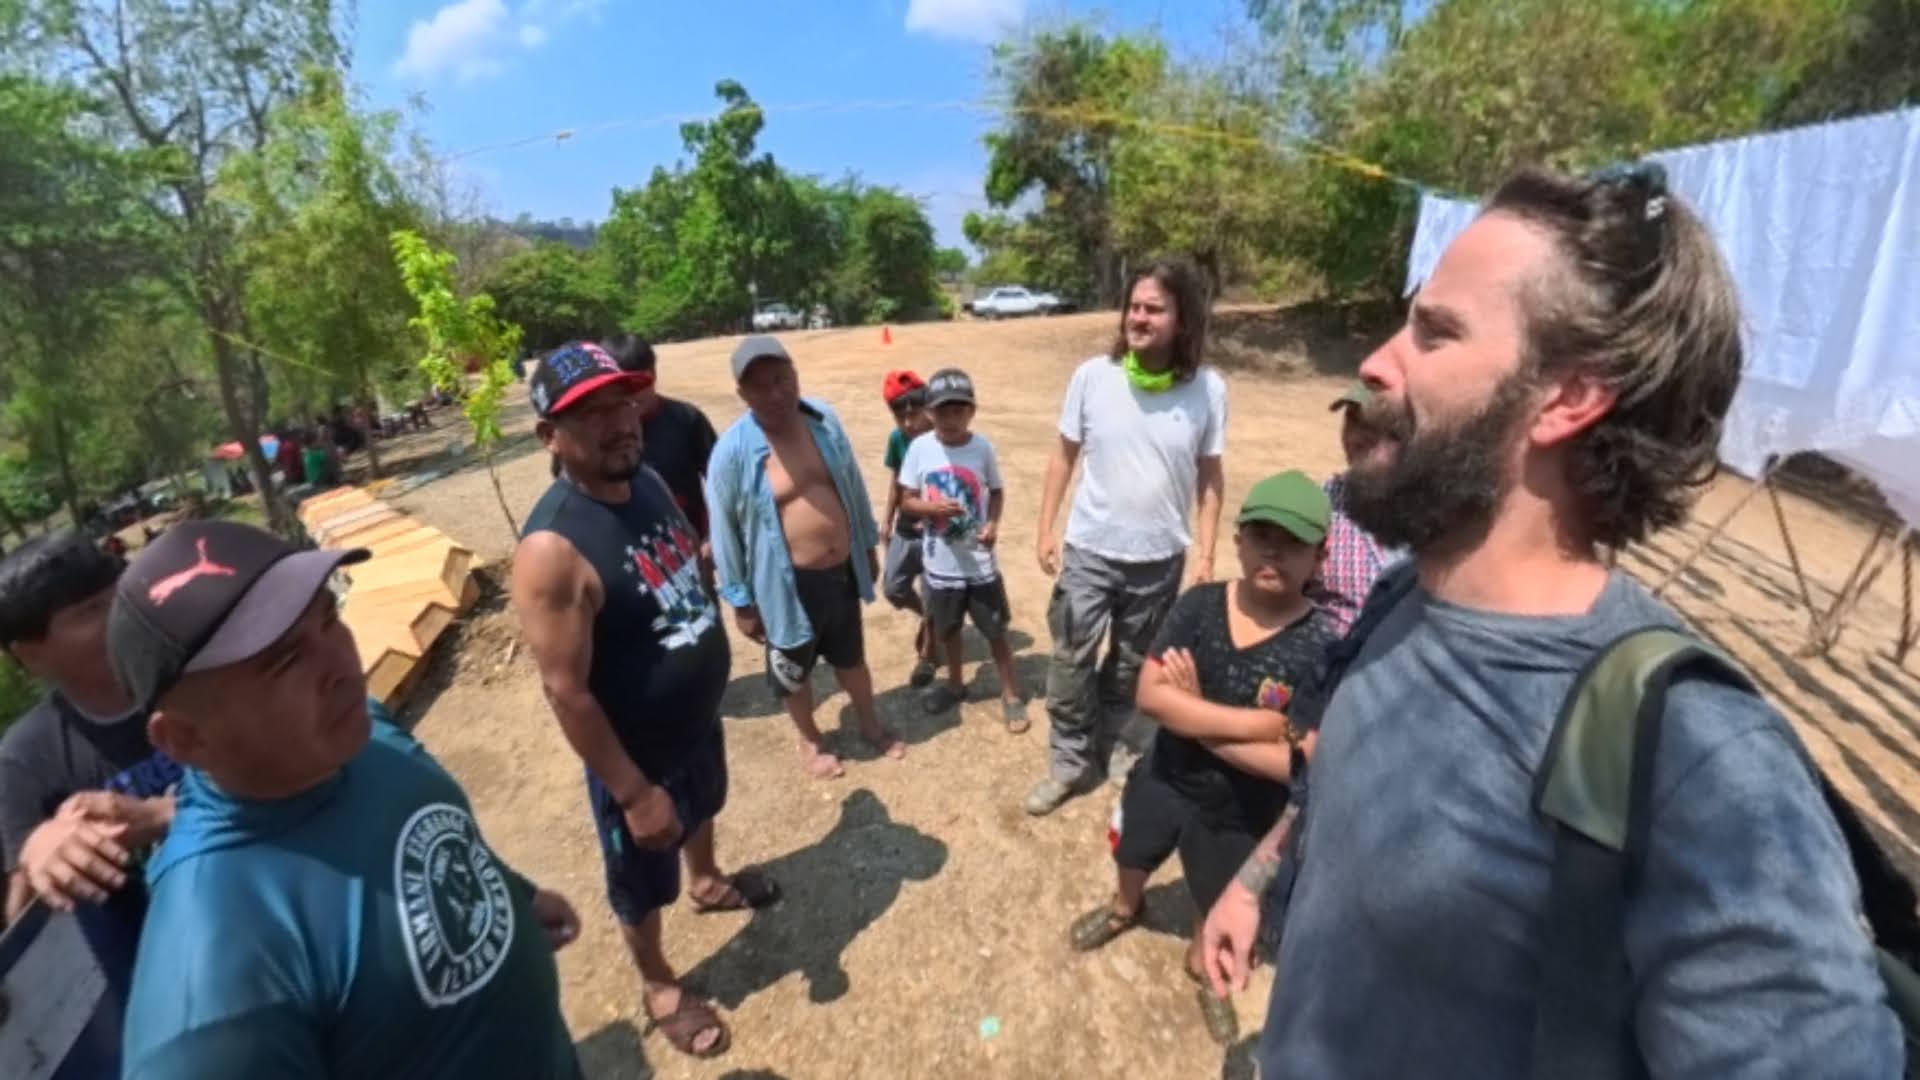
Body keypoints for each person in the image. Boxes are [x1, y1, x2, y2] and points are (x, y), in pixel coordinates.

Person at [1199, 165, 1901, 1077]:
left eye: (1436, 332)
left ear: (1569, 396)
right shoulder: (1403, 595)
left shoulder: (1699, 765)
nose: (1375, 359)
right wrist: (1258, 885)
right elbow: (1336, 785)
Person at [106, 521, 581, 1078]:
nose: (339, 664)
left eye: (330, 618)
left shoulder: (357, 731)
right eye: (283, 661)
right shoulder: (210, 998)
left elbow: (421, 825)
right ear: (185, 738)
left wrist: (509, 896)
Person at [514, 341, 774, 1062]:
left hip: (695, 724)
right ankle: (659, 984)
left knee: (704, 810)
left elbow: (678, 559)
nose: (619, 422)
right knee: (640, 882)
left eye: (623, 402)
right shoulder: (552, 549)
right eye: (590, 413)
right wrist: (631, 793)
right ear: (549, 437)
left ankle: (710, 881)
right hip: (637, 755)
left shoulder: (648, 477)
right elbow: (565, 689)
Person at [1067, 471, 1336, 1045]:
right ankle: (1125, 906)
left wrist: (1195, 717)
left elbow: (1300, 762)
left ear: (1321, 555)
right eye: (1261, 534)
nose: (1273, 551)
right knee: (1133, 849)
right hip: (1164, 775)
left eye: (1292, 542)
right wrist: (1255, 725)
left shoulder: (1321, 646)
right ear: (1237, 539)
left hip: (1241, 810)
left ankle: (1200, 958)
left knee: (1214, 890)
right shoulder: (1200, 605)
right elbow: (1150, 695)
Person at [1028, 258, 1228, 816]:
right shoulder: (1093, 376)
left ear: (1182, 320)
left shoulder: (1208, 389)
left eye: (1153, 308)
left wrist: (1207, 552)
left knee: (1132, 663)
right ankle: (1068, 762)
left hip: (1159, 558)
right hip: (1090, 550)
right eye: (1134, 307)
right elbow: (1062, 455)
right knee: (1070, 660)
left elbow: (1210, 475)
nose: (1138, 317)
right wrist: (1045, 528)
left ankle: (1118, 746)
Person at [706, 335, 904, 779]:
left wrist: (866, 547)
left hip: (839, 573)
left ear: (795, 374)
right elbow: (724, 532)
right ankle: (811, 740)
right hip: (785, 585)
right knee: (794, 671)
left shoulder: (824, 420)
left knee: (851, 657)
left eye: (782, 379)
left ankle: (870, 724)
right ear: (742, 395)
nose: (775, 394)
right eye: (760, 387)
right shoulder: (732, 452)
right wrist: (740, 601)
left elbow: (850, 485)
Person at [0, 534, 174, 923]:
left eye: (120, 595)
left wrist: (162, 815)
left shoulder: (197, 679)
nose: (119, 615)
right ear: (31, 655)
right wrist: (38, 851)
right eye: (90, 611)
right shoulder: (25, 759)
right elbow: (22, 918)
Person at [896, 368, 1028, 730]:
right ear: (928, 413)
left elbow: (996, 492)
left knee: (996, 630)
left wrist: (993, 525)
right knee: (949, 630)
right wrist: (930, 508)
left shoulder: (982, 447)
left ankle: (1011, 694)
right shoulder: (920, 449)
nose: (951, 419)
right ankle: (954, 684)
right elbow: (907, 500)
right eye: (942, 411)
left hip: (979, 563)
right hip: (941, 565)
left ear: (972, 411)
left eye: (959, 410)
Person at [548, 335, 720, 543]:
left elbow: (719, 480)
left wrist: (713, 536)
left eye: (634, 387)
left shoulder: (686, 418)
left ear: (653, 375)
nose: (633, 398)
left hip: (688, 545)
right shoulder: (583, 443)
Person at [1307, 383, 1397, 635]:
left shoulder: (1438, 514)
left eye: (1373, 425)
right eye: (1352, 422)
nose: (1357, 437)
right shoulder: (1320, 507)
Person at [877, 370, 940, 688]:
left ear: (928, 408)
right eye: (898, 416)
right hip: (905, 526)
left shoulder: (942, 436)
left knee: (932, 591)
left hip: (936, 530)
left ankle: (928, 655)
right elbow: (896, 481)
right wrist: (887, 519)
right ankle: (929, 617)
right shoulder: (898, 439)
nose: (907, 424)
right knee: (893, 588)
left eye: (913, 414)